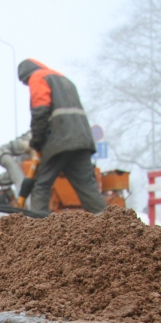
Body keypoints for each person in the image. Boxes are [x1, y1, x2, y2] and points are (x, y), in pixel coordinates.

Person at [17, 58, 105, 214]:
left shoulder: (38, 77)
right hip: (82, 139)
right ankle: (112, 225)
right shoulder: (64, 80)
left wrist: (36, 141)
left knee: (41, 185)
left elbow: (40, 111)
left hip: (60, 140)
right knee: (87, 186)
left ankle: (37, 230)